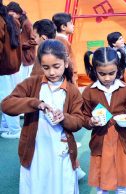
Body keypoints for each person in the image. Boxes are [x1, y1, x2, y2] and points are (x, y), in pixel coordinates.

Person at [1, 39, 84, 194]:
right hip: (36, 149)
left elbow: (79, 121)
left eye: (56, 66)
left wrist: (64, 118)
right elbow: (6, 104)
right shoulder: (32, 83)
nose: (51, 72)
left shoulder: (72, 91)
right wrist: (35, 103)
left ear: (66, 63)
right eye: (46, 67)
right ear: (40, 65)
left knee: (61, 185)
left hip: (61, 151)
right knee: (37, 185)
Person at [82, 47, 126, 194]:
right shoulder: (89, 91)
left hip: (120, 138)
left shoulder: (125, 89)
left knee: (122, 175)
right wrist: (90, 121)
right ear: (94, 71)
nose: (107, 78)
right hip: (100, 139)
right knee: (102, 179)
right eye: (102, 74)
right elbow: (84, 116)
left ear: (118, 69)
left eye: (111, 73)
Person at [0, 0, 22, 138]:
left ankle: (14, 129)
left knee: (6, 98)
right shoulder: (11, 20)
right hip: (12, 66)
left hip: (3, 68)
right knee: (9, 96)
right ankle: (8, 126)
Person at [7, 1, 35, 81]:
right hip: (20, 58)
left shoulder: (27, 24)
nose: (10, 17)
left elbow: (34, 40)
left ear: (18, 14)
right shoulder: (15, 24)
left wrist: (21, 45)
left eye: (12, 15)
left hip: (26, 59)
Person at [52, 12, 78, 85]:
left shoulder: (60, 39)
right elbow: (66, 61)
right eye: (71, 23)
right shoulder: (61, 41)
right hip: (68, 77)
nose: (73, 26)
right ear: (63, 27)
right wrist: (72, 78)